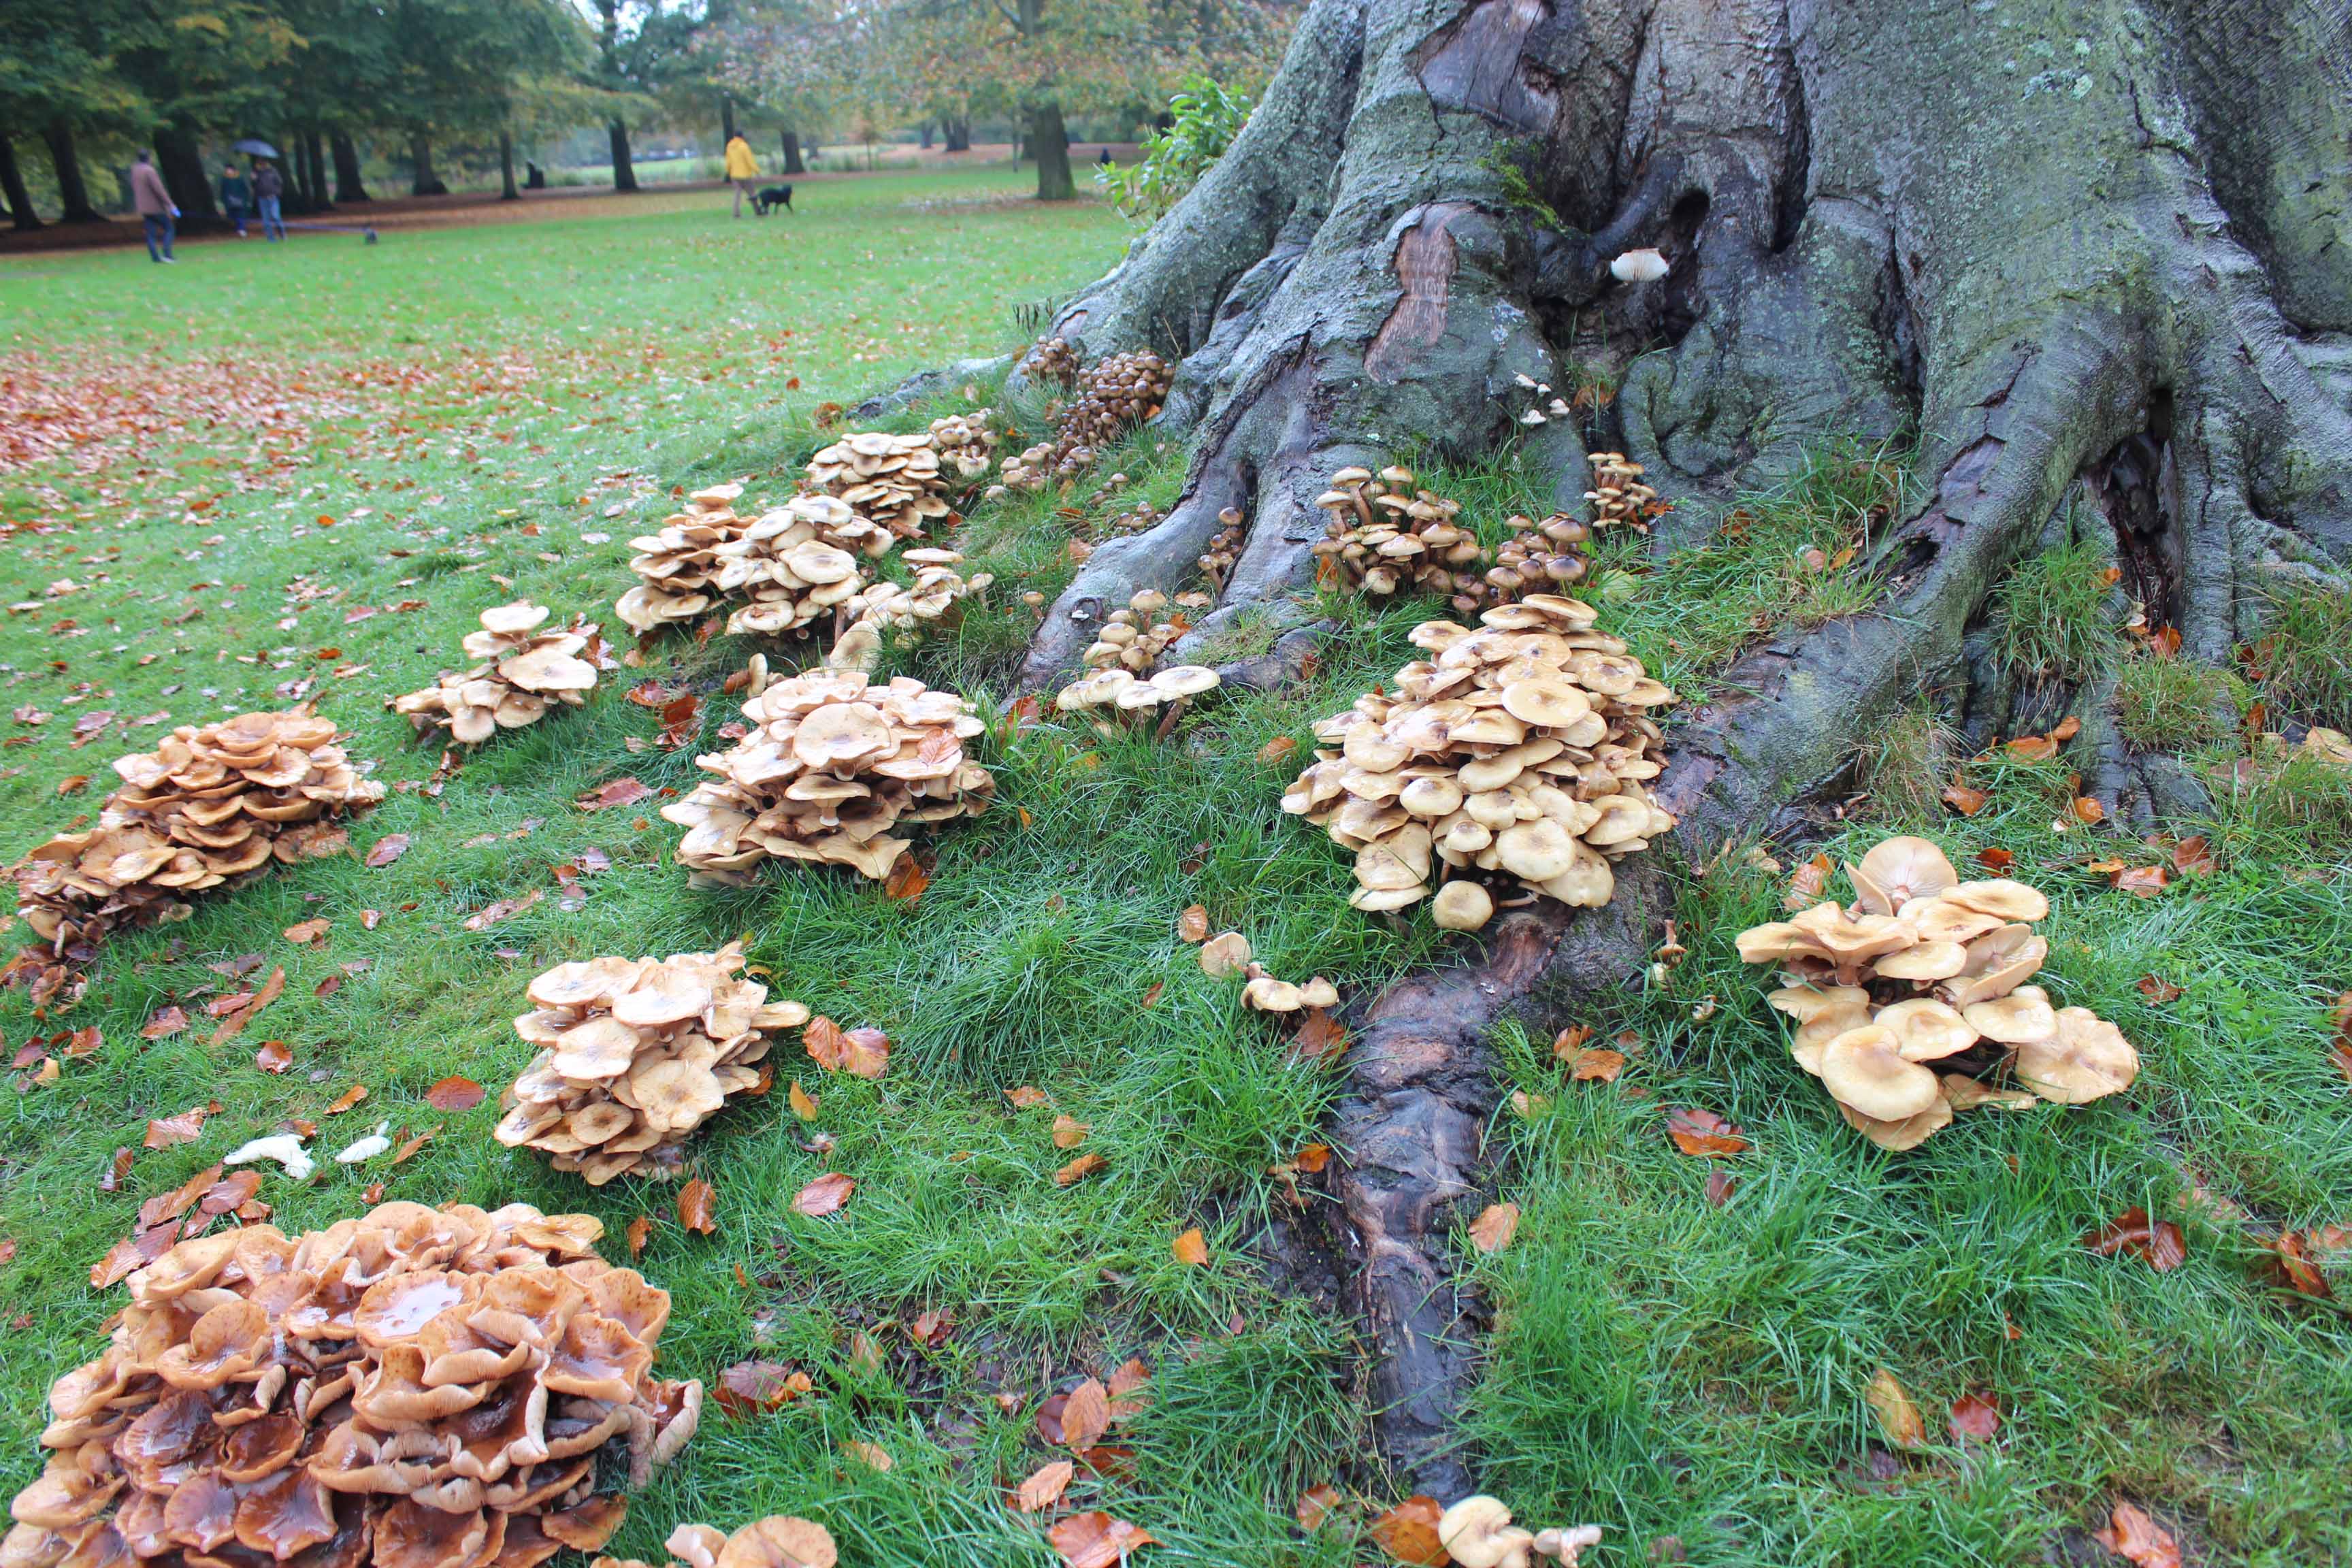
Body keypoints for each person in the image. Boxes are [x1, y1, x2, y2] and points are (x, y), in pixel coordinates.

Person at [129, 150, 178, 264]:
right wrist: (170, 204)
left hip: (143, 208)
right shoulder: (149, 171)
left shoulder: (135, 170)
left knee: (150, 233)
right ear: (149, 158)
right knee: (169, 228)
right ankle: (167, 254)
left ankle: (155, 257)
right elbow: (159, 189)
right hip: (155, 207)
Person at [724, 131, 758, 218]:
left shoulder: (729, 146)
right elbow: (749, 160)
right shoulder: (744, 146)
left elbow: (728, 161)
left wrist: (728, 171)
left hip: (734, 175)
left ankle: (736, 213)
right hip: (745, 174)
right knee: (752, 193)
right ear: (742, 136)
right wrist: (756, 170)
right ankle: (758, 211)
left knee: (737, 194)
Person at [252, 159, 285, 242]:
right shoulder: (256, 173)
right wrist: (253, 179)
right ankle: (271, 238)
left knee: (276, 217)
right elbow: (254, 186)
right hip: (262, 199)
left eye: (263, 163)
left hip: (273, 198)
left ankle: (282, 233)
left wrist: (277, 193)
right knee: (266, 220)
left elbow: (279, 183)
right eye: (260, 163)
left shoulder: (273, 171)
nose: (262, 165)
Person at [219, 163, 250, 238]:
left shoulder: (239, 178)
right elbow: (223, 190)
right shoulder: (225, 179)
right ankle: (239, 228)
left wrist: (245, 199)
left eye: (229, 170)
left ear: (233, 170)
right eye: (227, 170)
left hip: (240, 201)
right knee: (233, 216)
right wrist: (224, 199)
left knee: (241, 215)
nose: (228, 171)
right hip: (230, 201)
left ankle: (242, 229)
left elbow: (245, 189)